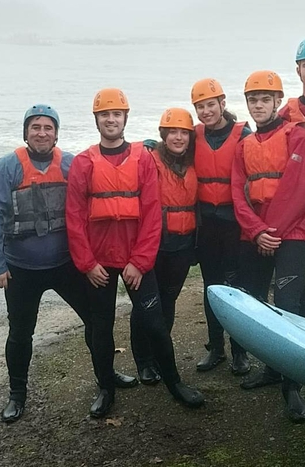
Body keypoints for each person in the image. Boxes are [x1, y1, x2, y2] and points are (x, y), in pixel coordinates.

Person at [0, 104, 138, 424]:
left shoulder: (70, 164)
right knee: (20, 333)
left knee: (95, 323)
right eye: (35, 127)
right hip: (22, 269)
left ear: (56, 134)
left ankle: (105, 376)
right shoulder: (6, 168)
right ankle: (17, 394)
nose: (42, 133)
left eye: (48, 128)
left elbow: (95, 200)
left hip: (67, 265)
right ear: (26, 133)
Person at [66, 89, 204, 418]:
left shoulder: (142, 160)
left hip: (135, 263)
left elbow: (152, 214)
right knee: (101, 328)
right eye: (105, 115)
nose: (111, 120)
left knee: (155, 323)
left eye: (116, 114)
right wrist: (87, 264)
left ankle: (174, 383)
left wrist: (140, 263)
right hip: (99, 264)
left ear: (125, 118)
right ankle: (106, 388)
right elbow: (74, 217)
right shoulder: (84, 162)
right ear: (97, 120)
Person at [230, 70, 305, 423]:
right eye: (253, 100)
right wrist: (256, 232)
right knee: (258, 301)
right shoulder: (244, 146)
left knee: (286, 304)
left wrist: (273, 232)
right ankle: (274, 366)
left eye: (265, 99)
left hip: (294, 232)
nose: (258, 105)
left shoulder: (298, 136)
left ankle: (292, 386)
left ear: (277, 101)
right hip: (258, 233)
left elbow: (302, 188)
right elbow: (238, 194)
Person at [189, 78, 252, 374]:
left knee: (236, 287)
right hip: (207, 225)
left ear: (222, 104)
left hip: (234, 224)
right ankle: (216, 348)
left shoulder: (243, 135)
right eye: (200, 107)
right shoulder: (194, 136)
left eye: (210, 105)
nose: (206, 111)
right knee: (211, 286)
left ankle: (240, 350)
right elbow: (169, 149)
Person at [131, 108, 197, 386]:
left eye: (184, 133)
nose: (178, 137)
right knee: (146, 306)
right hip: (154, 246)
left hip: (182, 246)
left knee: (168, 301)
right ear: (163, 135)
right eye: (173, 132)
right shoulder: (149, 158)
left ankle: (160, 355)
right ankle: (144, 361)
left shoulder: (194, 162)